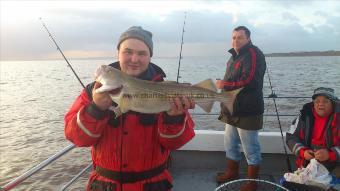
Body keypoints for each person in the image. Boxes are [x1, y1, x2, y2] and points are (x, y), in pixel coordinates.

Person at [64, 26, 195, 191]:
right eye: (128, 52)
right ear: (118, 53)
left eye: (142, 53)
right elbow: (77, 138)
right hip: (105, 185)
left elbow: (176, 143)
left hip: (153, 185)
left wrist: (174, 118)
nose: (134, 59)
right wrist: (96, 108)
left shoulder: (165, 90)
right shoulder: (93, 91)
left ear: (149, 57)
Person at [215, 26, 266, 191]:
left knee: (251, 148)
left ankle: (252, 182)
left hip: (248, 110)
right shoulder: (234, 57)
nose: (236, 40)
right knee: (230, 143)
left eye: (240, 37)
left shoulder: (253, 54)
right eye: (234, 37)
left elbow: (250, 81)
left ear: (248, 39)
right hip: (232, 109)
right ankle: (232, 172)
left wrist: (224, 85)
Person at [286, 87, 340, 172]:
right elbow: (291, 137)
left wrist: (330, 154)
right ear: (313, 103)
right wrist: (303, 152)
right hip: (307, 163)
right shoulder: (304, 115)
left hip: (335, 164)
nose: (321, 104)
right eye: (317, 101)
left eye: (325, 101)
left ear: (332, 103)